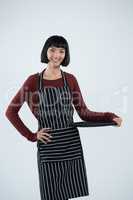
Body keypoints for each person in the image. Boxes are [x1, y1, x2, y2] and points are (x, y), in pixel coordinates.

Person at [5, 35, 122, 200]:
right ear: (46, 51)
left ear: (65, 54)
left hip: (70, 144)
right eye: (52, 50)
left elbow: (84, 112)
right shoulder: (33, 81)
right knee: (51, 194)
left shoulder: (70, 80)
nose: (56, 55)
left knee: (68, 192)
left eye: (61, 51)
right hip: (49, 146)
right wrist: (31, 136)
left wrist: (110, 117)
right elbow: (11, 112)